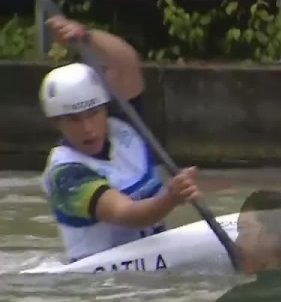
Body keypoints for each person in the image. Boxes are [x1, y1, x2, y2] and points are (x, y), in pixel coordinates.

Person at [38, 16, 200, 263]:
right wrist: (171, 199)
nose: (88, 128)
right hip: (103, 285)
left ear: (105, 108)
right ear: (55, 123)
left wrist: (86, 37)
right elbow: (126, 213)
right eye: (74, 120)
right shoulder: (66, 174)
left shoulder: (123, 126)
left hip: (154, 261)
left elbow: (125, 63)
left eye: (93, 114)